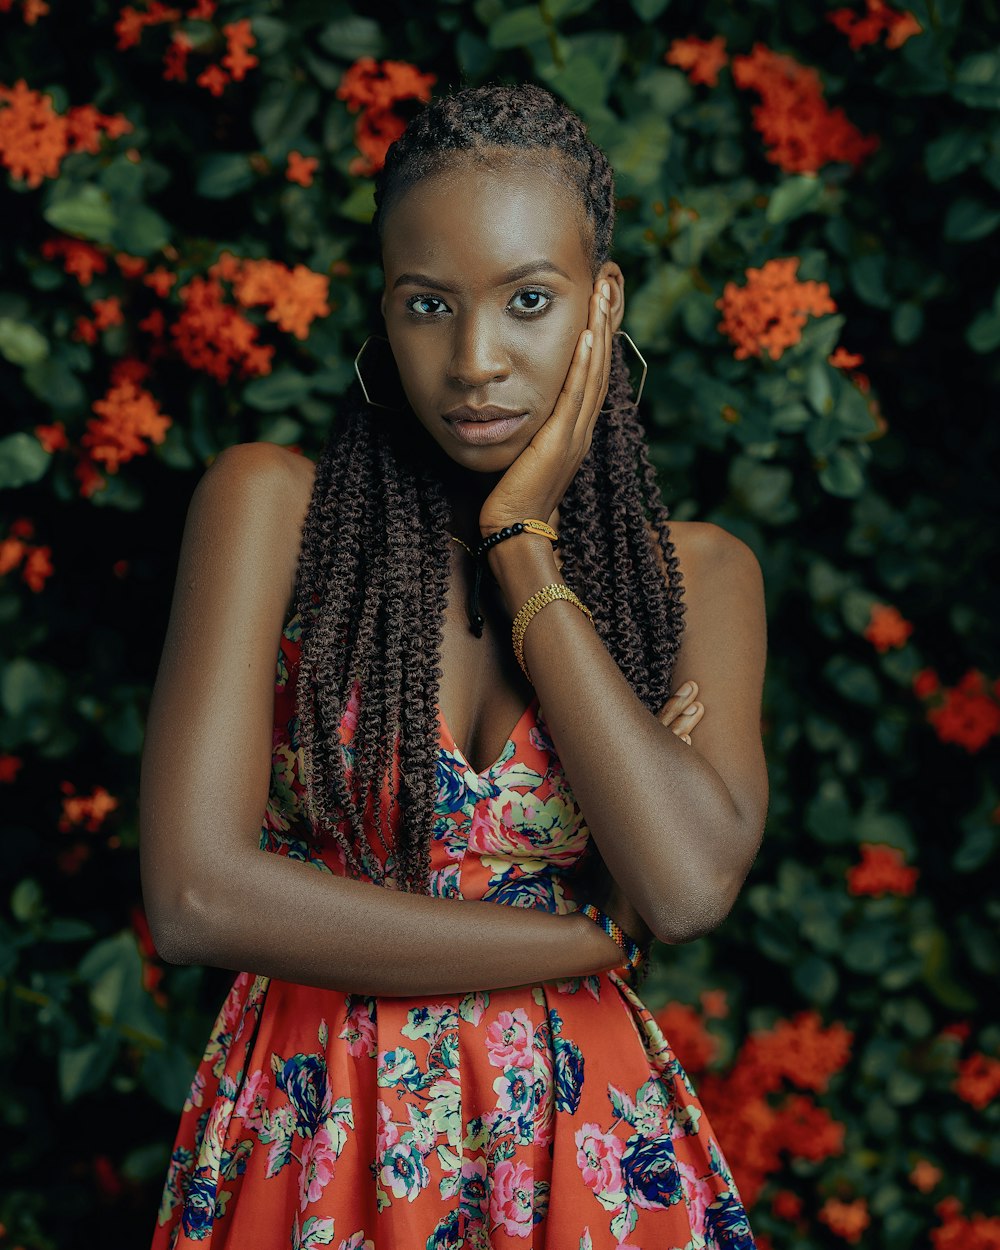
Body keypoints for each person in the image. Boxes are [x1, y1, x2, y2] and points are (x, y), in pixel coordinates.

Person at [140, 82, 767, 1250]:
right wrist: (584, 938)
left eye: (527, 300)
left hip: (580, 1147)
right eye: (429, 305)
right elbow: (197, 893)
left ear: (602, 301)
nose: (474, 359)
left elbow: (682, 885)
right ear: (385, 313)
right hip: (317, 1126)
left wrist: (521, 542)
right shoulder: (269, 510)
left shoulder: (699, 576)